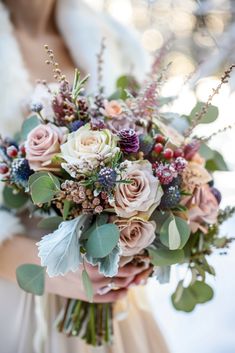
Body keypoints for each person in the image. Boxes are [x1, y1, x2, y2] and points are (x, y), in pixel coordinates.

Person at [0, 1, 170, 353]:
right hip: (17, 297)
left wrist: (141, 233)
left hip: (114, 304)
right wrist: (48, 267)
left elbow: (149, 145)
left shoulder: (113, 41)